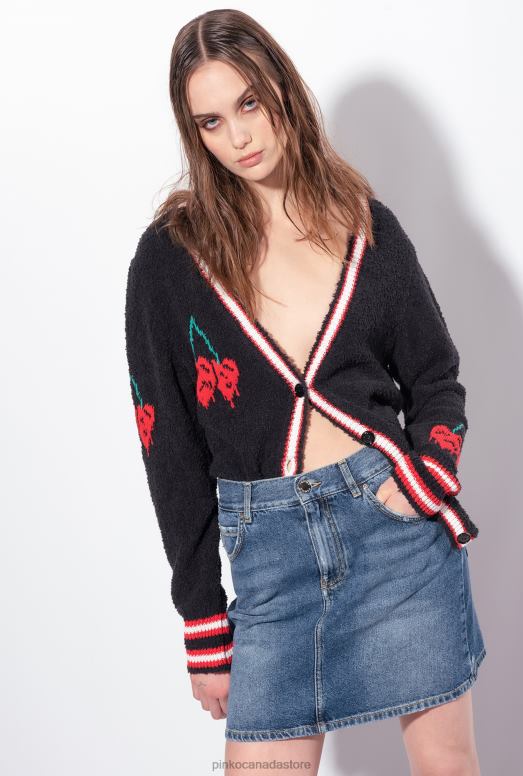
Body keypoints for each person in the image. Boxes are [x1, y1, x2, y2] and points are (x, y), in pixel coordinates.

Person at [124, 9, 486, 775]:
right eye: (211, 122)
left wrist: (427, 475)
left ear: (281, 91)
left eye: (249, 103)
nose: (238, 137)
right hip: (269, 558)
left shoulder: (364, 226)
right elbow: (167, 447)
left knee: (446, 765)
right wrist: (202, 620)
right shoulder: (170, 257)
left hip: (396, 539)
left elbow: (434, 375)